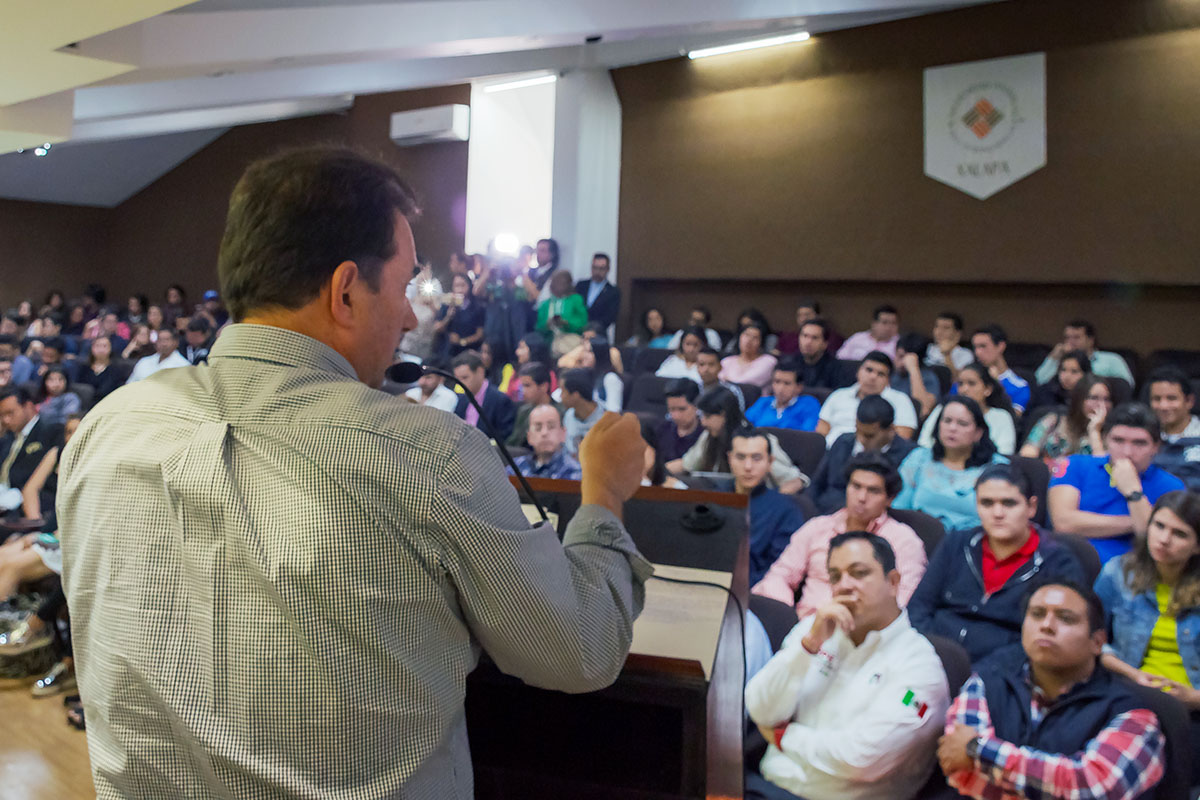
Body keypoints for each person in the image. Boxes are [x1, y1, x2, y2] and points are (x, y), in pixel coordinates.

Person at [58, 147, 652, 799]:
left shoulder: (105, 427)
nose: (411, 317)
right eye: (403, 288)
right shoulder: (427, 455)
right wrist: (606, 497)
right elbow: (579, 650)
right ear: (345, 291)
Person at [745, 532, 949, 800]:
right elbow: (760, 708)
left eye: (859, 573)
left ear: (893, 582)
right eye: (835, 576)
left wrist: (783, 736)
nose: (844, 585)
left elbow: (860, 759)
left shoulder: (919, 667)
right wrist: (808, 647)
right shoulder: (815, 631)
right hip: (762, 785)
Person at [938, 581, 1165, 800]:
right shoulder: (986, 683)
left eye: (1065, 618)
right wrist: (1049, 783)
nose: (1046, 625)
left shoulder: (1132, 714)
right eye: (1037, 614)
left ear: (1097, 642)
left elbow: (1093, 789)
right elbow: (960, 774)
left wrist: (977, 750)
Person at [906, 464, 1085, 662]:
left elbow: (1049, 635)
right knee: (900, 691)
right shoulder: (956, 543)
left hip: (1007, 672)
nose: (997, 513)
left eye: (1009, 503)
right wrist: (929, 654)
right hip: (932, 658)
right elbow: (919, 607)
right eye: (987, 503)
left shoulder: (1057, 560)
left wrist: (989, 673)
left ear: (1031, 507)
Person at [1093, 490, 1200, 783]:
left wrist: (1193, 698)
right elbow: (1093, 642)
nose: (1164, 539)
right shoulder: (1118, 573)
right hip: (1129, 691)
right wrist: (1133, 675)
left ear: (1197, 547)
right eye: (1159, 526)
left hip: (1192, 707)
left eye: (1180, 533)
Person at [754, 453, 925, 619]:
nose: (861, 497)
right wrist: (787, 616)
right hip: (805, 627)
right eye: (856, 486)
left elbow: (904, 600)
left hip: (864, 633)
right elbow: (780, 575)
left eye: (873, 491)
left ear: (890, 499)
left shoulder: (904, 541)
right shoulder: (818, 527)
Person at [1049, 402, 1184, 564]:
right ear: (1105, 440)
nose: (1127, 452)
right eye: (1118, 440)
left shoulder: (1172, 486)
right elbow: (1064, 523)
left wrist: (1133, 491)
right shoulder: (1075, 465)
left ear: (1156, 447)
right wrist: (1135, 520)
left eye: (1139, 443)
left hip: (1133, 573)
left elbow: (1153, 538)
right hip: (1069, 564)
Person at [894, 397, 1009, 532]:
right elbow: (898, 509)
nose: (952, 428)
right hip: (917, 539)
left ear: (978, 432)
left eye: (962, 423)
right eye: (947, 421)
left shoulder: (996, 468)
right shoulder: (919, 459)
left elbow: (1001, 517)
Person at [669, 388, 806, 493]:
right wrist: (657, 472)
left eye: (707, 416)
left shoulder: (758, 442)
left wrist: (772, 502)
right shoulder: (709, 436)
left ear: (723, 415)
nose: (703, 422)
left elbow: (796, 481)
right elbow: (686, 464)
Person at [809, 395, 917, 514]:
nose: (861, 439)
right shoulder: (843, 442)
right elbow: (816, 485)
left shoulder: (910, 455)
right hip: (825, 513)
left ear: (891, 430)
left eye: (870, 436)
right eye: (858, 432)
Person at [730, 428, 808, 585]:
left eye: (756, 458)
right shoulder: (713, 498)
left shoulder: (786, 509)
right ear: (729, 458)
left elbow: (781, 570)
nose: (748, 466)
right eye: (740, 457)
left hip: (755, 593)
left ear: (770, 462)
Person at [816, 352, 918, 446]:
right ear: (858, 372)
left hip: (876, 458)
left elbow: (903, 437)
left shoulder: (900, 400)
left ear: (888, 380)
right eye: (869, 370)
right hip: (832, 451)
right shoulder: (839, 395)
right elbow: (821, 432)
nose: (873, 377)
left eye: (881, 374)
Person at [919, 362, 1017, 456]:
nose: (964, 389)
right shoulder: (943, 409)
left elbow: (1004, 455)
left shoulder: (1001, 417)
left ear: (988, 389)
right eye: (960, 384)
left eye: (971, 383)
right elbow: (924, 443)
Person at [0, 385, 65, 517]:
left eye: (10, 413)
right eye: (2, 415)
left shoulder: (51, 432)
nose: (5, 420)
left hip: (29, 504)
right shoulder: (7, 438)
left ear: (28, 406)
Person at [1019, 374, 1111, 461]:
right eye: (1094, 398)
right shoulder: (1053, 421)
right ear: (1079, 399)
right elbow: (1026, 456)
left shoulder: (1111, 434)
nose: (1101, 405)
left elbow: (1101, 470)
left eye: (1106, 399)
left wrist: (1095, 431)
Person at [1034, 319, 1135, 386]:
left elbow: (1126, 386)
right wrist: (1054, 358)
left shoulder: (1112, 359)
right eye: (1067, 337)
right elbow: (1038, 382)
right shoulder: (1061, 361)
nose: (1070, 342)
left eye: (1076, 337)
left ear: (1090, 340)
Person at [451, 350, 517, 442]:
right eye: (457, 379)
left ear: (480, 371)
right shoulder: (461, 399)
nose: (460, 383)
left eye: (465, 378)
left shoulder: (500, 400)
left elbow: (504, 437)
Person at [506, 404, 583, 481]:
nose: (544, 433)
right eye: (538, 428)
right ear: (529, 437)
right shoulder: (515, 469)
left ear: (563, 434)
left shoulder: (576, 472)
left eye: (551, 427)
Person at [969, 324, 1031, 413]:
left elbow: (1013, 420)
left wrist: (997, 383)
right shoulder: (966, 380)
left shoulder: (1019, 386)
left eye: (983, 346)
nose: (977, 352)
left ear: (1000, 346)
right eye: (975, 347)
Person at [744, 358, 820, 431]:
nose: (780, 388)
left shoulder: (809, 404)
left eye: (787, 383)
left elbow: (808, 435)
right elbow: (743, 426)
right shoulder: (763, 402)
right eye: (777, 382)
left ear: (798, 387)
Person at [504, 361, 562, 448]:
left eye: (527, 386)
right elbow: (513, 443)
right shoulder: (523, 411)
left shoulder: (560, 412)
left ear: (544, 387)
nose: (523, 391)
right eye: (522, 386)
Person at [433, 273, 484, 357]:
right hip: (445, 352)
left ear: (469, 286)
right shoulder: (446, 305)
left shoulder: (477, 307)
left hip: (467, 352)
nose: (460, 290)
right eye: (457, 286)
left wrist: (461, 341)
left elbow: (480, 334)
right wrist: (448, 317)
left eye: (463, 285)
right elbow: (437, 328)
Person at [893, 332, 941, 420]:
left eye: (906, 358)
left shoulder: (929, 377)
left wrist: (913, 369)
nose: (902, 363)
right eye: (900, 356)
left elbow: (923, 410)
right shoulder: (888, 373)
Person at [1147, 365, 1200, 442]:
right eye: (1157, 399)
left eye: (1171, 398)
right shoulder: (1143, 435)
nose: (1163, 406)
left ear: (1189, 401)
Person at [559, 367, 605, 455]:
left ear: (575, 395)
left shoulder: (607, 416)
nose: (560, 397)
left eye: (563, 391)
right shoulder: (568, 416)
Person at [720, 322, 778, 390]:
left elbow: (748, 383)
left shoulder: (769, 361)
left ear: (761, 343)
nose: (749, 340)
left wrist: (727, 381)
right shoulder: (727, 361)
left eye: (755, 337)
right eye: (746, 335)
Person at [656, 378, 702, 461]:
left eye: (682, 409)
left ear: (696, 406)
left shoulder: (705, 433)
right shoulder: (662, 430)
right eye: (672, 409)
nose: (676, 416)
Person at [503, 331, 556, 402]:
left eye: (521, 347)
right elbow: (508, 395)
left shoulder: (548, 374)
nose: (517, 352)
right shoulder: (516, 372)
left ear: (534, 350)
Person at [535, 269, 587, 339]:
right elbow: (538, 326)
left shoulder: (576, 300)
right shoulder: (545, 304)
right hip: (548, 340)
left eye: (562, 283)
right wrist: (547, 324)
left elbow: (583, 322)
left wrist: (567, 323)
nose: (559, 285)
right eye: (556, 282)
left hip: (571, 340)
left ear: (569, 284)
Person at [125, 327, 189, 383]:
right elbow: (130, 383)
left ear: (176, 342)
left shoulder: (183, 365)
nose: (163, 344)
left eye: (166, 340)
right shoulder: (144, 361)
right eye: (160, 340)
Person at [575, 252, 620, 330]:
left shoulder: (613, 292)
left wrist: (592, 327)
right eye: (594, 268)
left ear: (608, 269)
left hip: (598, 333)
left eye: (601, 268)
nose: (597, 272)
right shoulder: (581, 285)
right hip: (576, 329)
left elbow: (610, 317)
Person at [790, 318, 839, 389]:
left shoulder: (835, 368)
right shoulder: (789, 363)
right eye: (805, 336)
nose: (808, 342)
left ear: (825, 344)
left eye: (815, 338)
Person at [578, 335, 622, 412]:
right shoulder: (585, 375)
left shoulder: (611, 378)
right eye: (584, 351)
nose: (584, 355)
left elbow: (614, 411)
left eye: (589, 352)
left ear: (599, 353)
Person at [696, 346, 746, 410]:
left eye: (711, 364)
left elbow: (737, 416)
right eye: (702, 364)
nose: (706, 369)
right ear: (696, 367)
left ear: (720, 367)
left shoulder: (731, 390)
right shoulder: (693, 389)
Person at [925, 311, 973, 376]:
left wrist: (947, 355)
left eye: (946, 328)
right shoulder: (926, 348)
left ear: (957, 334)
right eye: (937, 326)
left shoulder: (965, 354)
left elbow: (957, 380)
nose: (939, 332)